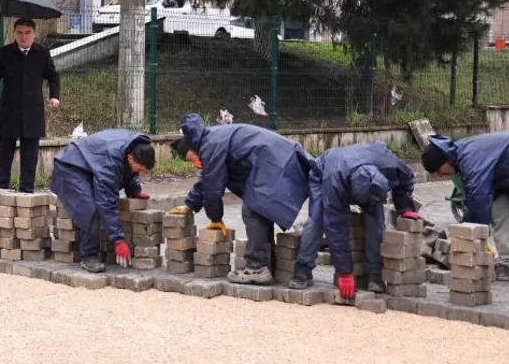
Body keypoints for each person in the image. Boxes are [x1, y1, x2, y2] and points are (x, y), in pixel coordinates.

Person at [169, 113, 315, 285]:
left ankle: (256, 268)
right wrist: (190, 205)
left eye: (190, 159)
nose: (193, 163)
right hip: (279, 159)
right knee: (260, 210)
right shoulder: (213, 139)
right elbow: (210, 178)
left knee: (253, 208)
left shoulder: (210, 145)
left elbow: (213, 187)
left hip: (276, 162)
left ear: (192, 149)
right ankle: (270, 264)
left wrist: (216, 218)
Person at [288, 142, 422, 296]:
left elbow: (407, 179)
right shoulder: (335, 183)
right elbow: (336, 227)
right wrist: (344, 272)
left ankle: (375, 275)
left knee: (377, 223)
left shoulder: (390, 165)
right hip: (323, 174)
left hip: (358, 173)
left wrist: (405, 208)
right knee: (317, 220)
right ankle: (303, 269)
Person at [50, 129, 156, 273]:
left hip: (90, 164)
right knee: (90, 208)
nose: (140, 173)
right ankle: (88, 256)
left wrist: (134, 189)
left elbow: (126, 170)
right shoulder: (112, 160)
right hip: (70, 166)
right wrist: (119, 240)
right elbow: (106, 201)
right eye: (140, 169)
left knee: (100, 201)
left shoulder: (134, 147)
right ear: (131, 158)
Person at [0, 18, 61, 192]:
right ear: (14, 34)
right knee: (5, 155)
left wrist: (54, 96)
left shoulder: (42, 53)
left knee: (30, 156)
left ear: (33, 34)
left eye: (27, 33)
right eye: (19, 32)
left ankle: (26, 191)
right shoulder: (5, 52)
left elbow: (53, 76)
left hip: (32, 113)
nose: (23, 37)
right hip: (9, 112)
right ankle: (1, 190)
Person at [422, 133, 509, 280]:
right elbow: (474, 199)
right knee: (498, 209)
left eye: (438, 171)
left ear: (444, 160)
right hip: (503, 178)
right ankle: (507, 263)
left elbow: (478, 199)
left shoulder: (470, 158)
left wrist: (469, 237)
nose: (440, 176)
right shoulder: (460, 155)